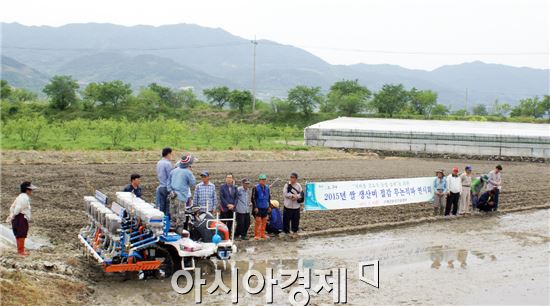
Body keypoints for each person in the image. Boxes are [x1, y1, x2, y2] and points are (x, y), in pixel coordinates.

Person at [6, 182, 37, 256]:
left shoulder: (19, 196)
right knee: (21, 233)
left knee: (19, 233)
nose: (31, 192)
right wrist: (14, 215)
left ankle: (20, 250)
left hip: (18, 216)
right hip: (21, 217)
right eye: (30, 190)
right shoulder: (24, 198)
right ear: (27, 190)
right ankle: (21, 251)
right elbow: (18, 208)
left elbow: (12, 207)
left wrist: (12, 215)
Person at [167, 155, 196, 225]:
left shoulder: (173, 171)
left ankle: (172, 233)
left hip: (172, 196)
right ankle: (179, 234)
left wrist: (171, 191)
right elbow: (193, 183)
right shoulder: (188, 172)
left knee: (173, 217)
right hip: (181, 197)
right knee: (180, 219)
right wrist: (191, 172)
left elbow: (168, 183)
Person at [251, 174, 270, 240]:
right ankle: (257, 235)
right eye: (262, 180)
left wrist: (269, 206)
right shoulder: (255, 187)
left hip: (265, 207)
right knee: (258, 221)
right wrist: (255, 207)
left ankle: (262, 234)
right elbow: (253, 198)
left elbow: (269, 198)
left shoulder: (267, 188)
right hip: (258, 207)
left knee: (264, 221)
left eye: (264, 180)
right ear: (259, 180)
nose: (263, 181)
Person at [156, 147, 173, 215]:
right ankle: (166, 224)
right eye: (171, 154)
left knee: (161, 207)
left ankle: (162, 223)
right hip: (167, 187)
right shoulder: (167, 164)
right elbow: (170, 177)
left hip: (161, 187)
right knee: (167, 208)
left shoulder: (159, 163)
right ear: (168, 154)